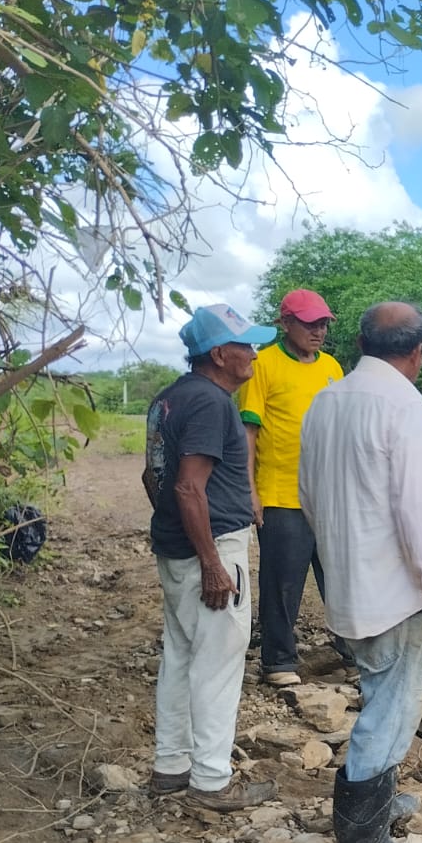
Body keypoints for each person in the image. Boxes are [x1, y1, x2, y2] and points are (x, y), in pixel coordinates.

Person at [299, 302, 422, 843]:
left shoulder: (326, 399)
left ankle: (378, 804)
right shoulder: (406, 407)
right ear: (417, 352)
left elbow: (309, 494)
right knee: (391, 707)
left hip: (346, 578)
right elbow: (417, 516)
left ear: (362, 344)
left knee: (380, 693)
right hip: (391, 589)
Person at [142, 304, 281, 811]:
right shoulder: (211, 403)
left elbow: (153, 477)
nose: (254, 355)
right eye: (246, 346)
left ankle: (171, 766)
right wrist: (212, 563)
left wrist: (177, 533)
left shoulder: (168, 398)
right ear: (219, 354)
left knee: (181, 656)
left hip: (177, 547)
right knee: (218, 664)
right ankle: (211, 781)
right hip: (213, 547)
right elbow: (187, 487)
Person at [239, 288, 345, 687]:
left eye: (323, 324)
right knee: (282, 582)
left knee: (341, 577)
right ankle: (278, 661)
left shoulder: (332, 367)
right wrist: (250, 490)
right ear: (285, 323)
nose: (319, 331)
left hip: (329, 495)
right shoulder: (263, 364)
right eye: (309, 323)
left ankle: (354, 651)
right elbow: (248, 432)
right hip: (281, 493)